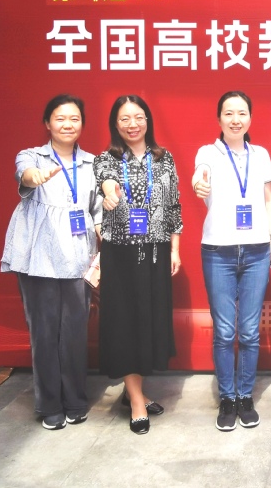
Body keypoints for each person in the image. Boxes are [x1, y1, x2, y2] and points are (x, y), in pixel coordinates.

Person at [1, 94, 102, 430]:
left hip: (76, 256)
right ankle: (49, 405)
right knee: (44, 332)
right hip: (39, 257)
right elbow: (25, 175)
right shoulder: (32, 156)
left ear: (82, 124)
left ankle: (75, 400)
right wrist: (37, 176)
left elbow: (96, 210)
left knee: (74, 333)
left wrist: (105, 233)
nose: (67, 124)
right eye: (60, 118)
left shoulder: (92, 163)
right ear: (48, 123)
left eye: (74, 118)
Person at [94, 95, 183, 435]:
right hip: (120, 256)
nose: (132, 124)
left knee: (147, 324)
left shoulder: (164, 158)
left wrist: (175, 249)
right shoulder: (106, 159)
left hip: (156, 253)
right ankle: (135, 401)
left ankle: (136, 391)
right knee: (126, 325)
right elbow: (105, 180)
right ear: (115, 124)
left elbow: (174, 206)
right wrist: (109, 192)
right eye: (124, 118)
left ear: (148, 120)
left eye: (138, 117)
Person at [192, 91, 271, 432]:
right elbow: (199, 176)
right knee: (225, 331)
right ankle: (227, 398)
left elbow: (270, 200)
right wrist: (198, 184)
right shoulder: (208, 152)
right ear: (219, 119)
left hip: (257, 250)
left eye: (242, 113)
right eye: (228, 113)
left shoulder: (261, 155)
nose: (235, 119)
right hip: (219, 251)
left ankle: (245, 396)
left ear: (250, 118)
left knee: (250, 331)